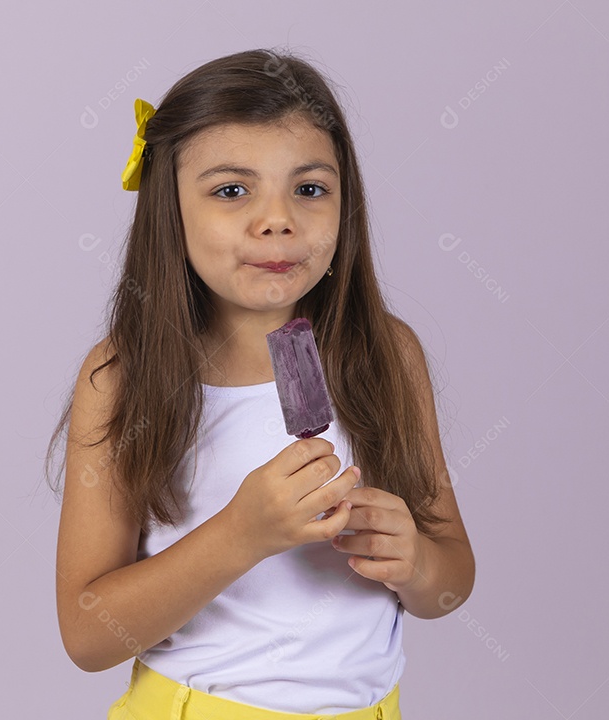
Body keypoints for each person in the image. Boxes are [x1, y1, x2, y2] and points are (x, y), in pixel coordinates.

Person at [45, 47, 475, 719]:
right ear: (170, 209)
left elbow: (452, 580)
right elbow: (88, 635)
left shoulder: (387, 353)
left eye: (309, 189)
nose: (278, 219)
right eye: (231, 190)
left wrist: (415, 562)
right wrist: (241, 534)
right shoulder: (124, 380)